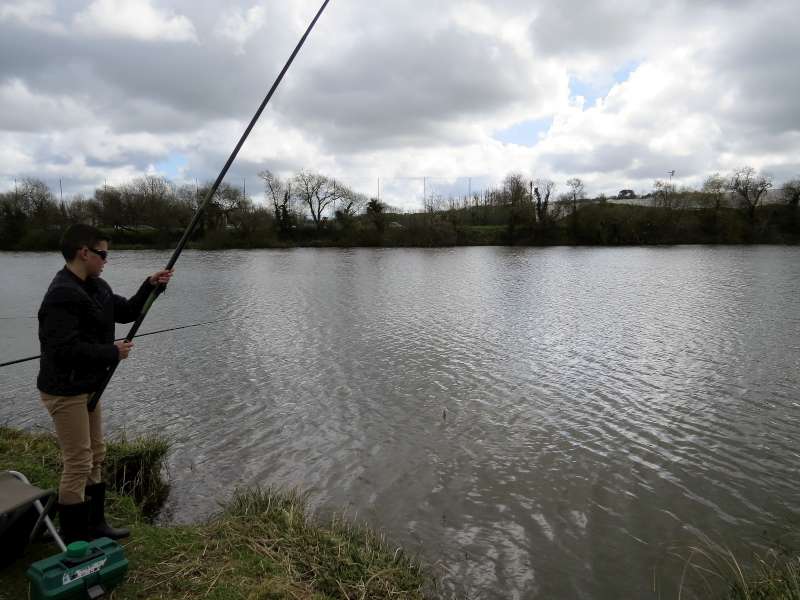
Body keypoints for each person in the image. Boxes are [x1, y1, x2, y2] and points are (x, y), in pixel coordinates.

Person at [37, 224, 173, 544]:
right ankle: (74, 541)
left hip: (88, 386)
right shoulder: (61, 295)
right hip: (64, 389)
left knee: (96, 453)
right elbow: (64, 351)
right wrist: (110, 352)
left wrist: (150, 286)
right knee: (79, 461)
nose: (106, 260)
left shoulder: (97, 286)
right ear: (84, 252)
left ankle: (95, 524)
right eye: (103, 253)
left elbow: (126, 312)